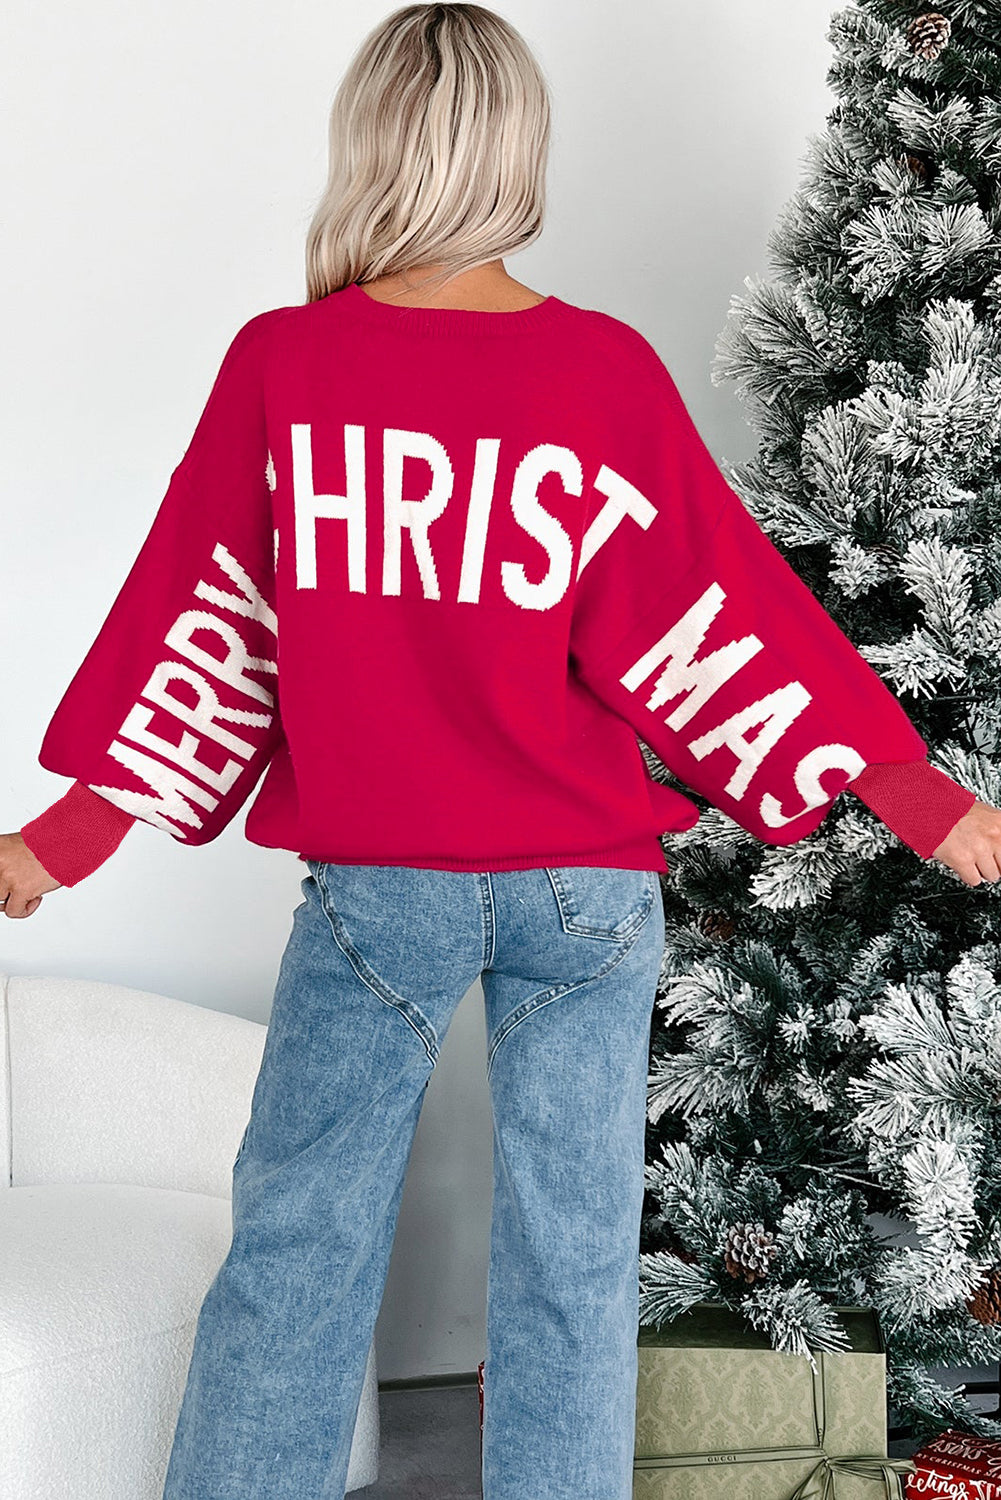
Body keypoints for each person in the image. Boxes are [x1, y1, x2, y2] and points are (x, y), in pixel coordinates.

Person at [4, 4, 1000, 1497]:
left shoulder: (288, 366)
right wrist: (916, 796)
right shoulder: (599, 373)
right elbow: (714, 609)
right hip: (585, 895)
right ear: (518, 153)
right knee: (573, 1262)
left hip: (379, 895)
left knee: (301, 1241)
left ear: (369, 146)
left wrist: (64, 839)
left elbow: (211, 621)